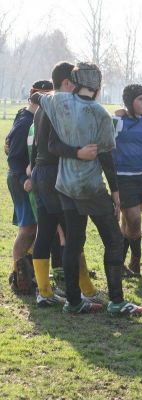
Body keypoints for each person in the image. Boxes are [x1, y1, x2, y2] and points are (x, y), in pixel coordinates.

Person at [34, 62, 142, 315]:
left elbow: (52, 143)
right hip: (90, 187)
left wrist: (74, 152)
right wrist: (116, 191)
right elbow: (107, 156)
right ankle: (117, 302)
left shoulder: (59, 103)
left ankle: (73, 302)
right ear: (97, 85)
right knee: (113, 240)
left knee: (74, 241)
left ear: (75, 81)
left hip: (64, 186)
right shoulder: (100, 113)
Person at [30, 62, 100, 307]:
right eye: (77, 81)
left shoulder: (44, 104)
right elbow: (52, 145)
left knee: (46, 231)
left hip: (40, 173)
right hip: (55, 174)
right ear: (68, 83)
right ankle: (85, 290)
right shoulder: (61, 106)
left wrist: (32, 173)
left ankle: (45, 292)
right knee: (73, 234)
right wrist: (80, 153)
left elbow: (37, 144)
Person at [6, 80, 52, 294]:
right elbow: (13, 156)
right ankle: (18, 276)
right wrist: (22, 178)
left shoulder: (35, 118)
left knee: (34, 228)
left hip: (31, 180)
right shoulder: (25, 122)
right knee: (27, 229)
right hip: (21, 182)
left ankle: (27, 271)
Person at [113, 84, 142, 277]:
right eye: (140, 99)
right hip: (124, 178)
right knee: (134, 221)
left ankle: (123, 264)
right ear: (130, 102)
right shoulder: (118, 120)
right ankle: (136, 259)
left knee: (129, 224)